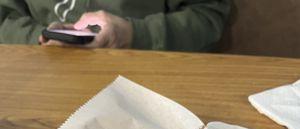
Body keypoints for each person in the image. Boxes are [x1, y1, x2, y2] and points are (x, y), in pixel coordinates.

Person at [0, 0, 231, 52]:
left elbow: (208, 16)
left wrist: (134, 34)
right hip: (41, 77)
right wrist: (39, 39)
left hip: (145, 76)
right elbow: (5, 17)